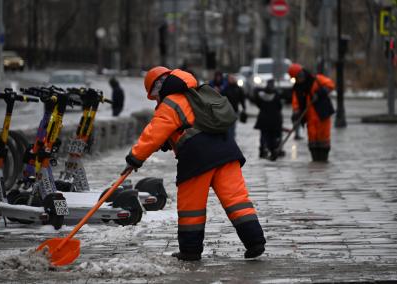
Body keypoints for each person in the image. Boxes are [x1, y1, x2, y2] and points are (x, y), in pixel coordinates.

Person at [123, 66, 266, 261]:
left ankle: (190, 250)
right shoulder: (198, 94)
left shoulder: (171, 103)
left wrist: (134, 159)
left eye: (155, 95)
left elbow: (152, 135)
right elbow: (190, 124)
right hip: (226, 151)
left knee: (192, 207)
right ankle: (255, 242)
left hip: (197, 157)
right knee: (237, 200)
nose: (156, 100)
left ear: (158, 87)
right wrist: (170, 139)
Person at [288, 63, 335, 162]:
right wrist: (296, 113)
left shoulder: (316, 80)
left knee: (324, 137)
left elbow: (330, 84)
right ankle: (315, 159)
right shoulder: (297, 89)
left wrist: (320, 93)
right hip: (310, 118)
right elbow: (295, 103)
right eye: (297, 77)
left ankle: (323, 159)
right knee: (312, 139)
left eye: (300, 75)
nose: (300, 79)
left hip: (322, 115)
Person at [253, 79, 283, 160]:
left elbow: (258, 103)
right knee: (272, 135)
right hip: (274, 119)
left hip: (263, 118)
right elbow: (279, 106)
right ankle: (273, 150)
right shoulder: (276, 94)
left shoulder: (261, 94)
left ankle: (263, 150)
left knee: (263, 135)